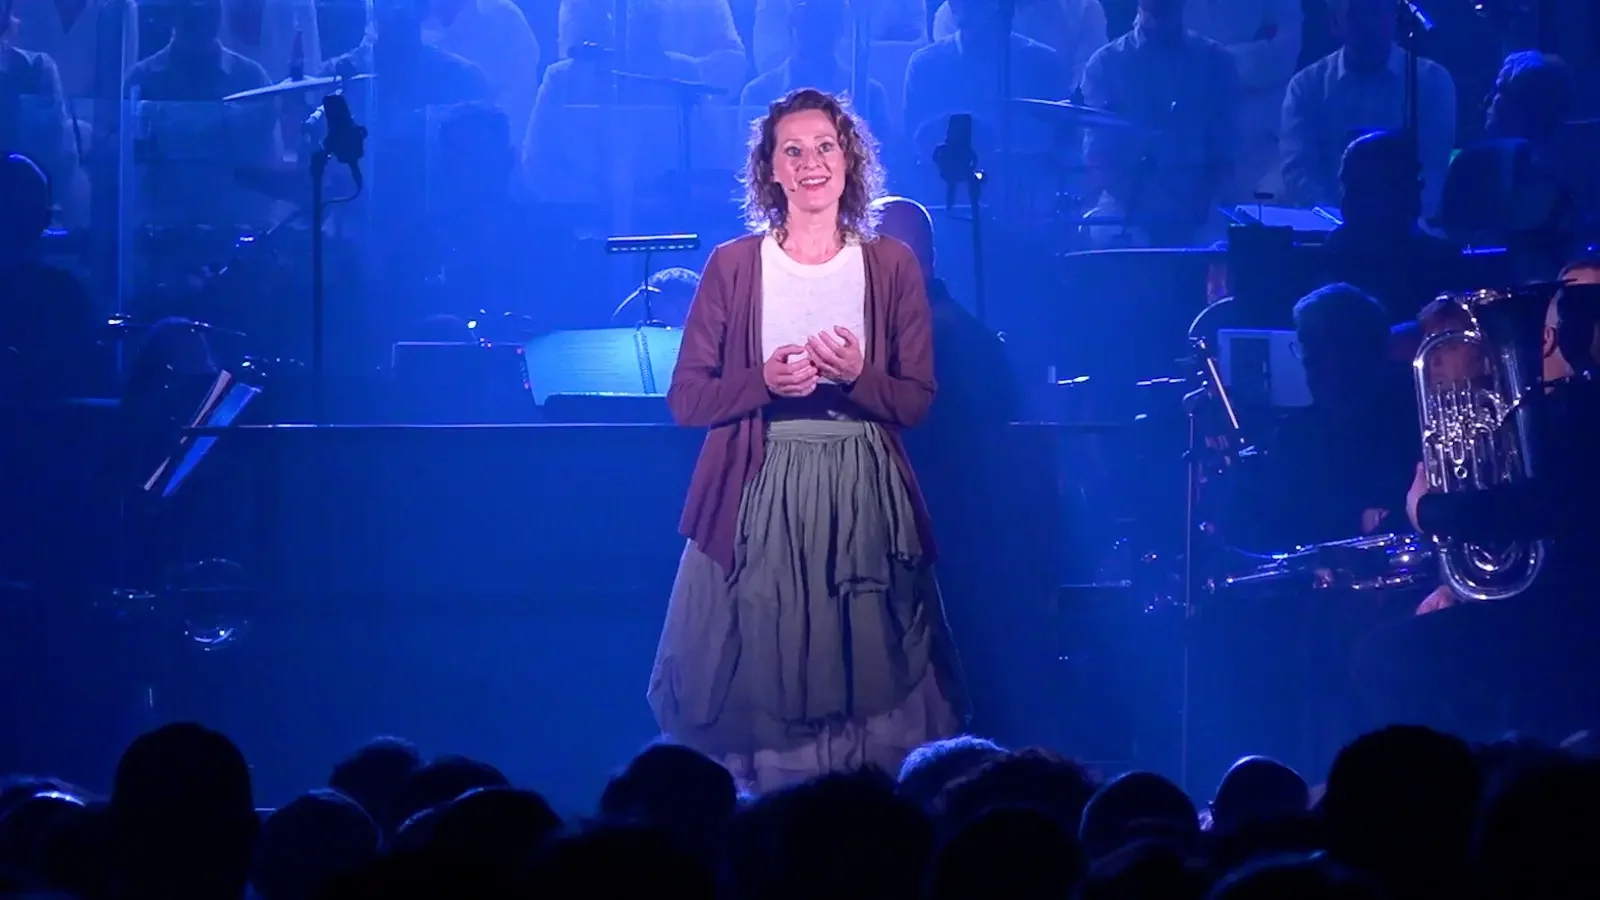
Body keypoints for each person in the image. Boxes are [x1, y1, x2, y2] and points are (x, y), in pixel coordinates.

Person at [648, 87, 967, 792]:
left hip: (863, 490)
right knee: (764, 665)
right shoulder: (734, 265)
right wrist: (762, 381)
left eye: (825, 147)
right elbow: (687, 399)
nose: (811, 162)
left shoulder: (890, 265)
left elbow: (916, 400)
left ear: (849, 161)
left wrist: (857, 377)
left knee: (870, 670)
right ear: (770, 169)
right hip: (759, 488)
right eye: (792, 150)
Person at [1078, 0, 1239, 248]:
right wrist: (1143, 209)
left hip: (1198, 208)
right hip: (1124, 206)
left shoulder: (1217, 61)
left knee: (1221, 249)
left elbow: (1225, 149)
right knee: (1114, 241)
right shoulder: (1106, 63)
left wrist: (1201, 202)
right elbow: (1098, 155)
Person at [1281, 0, 1456, 217]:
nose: (1370, 22)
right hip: (1330, 231)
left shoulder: (1430, 81)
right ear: (1334, 22)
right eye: (1357, 11)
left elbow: (1433, 170)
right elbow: (1299, 172)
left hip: (1407, 230)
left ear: (1395, 16)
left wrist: (1408, 224)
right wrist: (1336, 221)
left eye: (1377, 8)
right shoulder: (1306, 86)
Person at [1322, 129, 1464, 323]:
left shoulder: (1441, 262)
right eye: (1347, 188)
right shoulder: (1338, 253)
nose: (1346, 200)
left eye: (1356, 188)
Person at [1182, 0, 1302, 204]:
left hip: (1261, 144)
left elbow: (1283, 55)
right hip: (1192, 139)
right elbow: (1167, 58)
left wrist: (1206, 61)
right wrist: (1252, 52)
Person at [739, 0, 893, 144]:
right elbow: (748, 158)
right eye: (807, 15)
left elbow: (885, 156)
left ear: (840, 27)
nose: (814, 28)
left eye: (824, 18)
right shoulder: (757, 94)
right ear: (792, 22)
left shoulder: (870, 95)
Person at [930, 0, 1106, 95]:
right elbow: (952, 87)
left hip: (1056, 141)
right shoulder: (954, 14)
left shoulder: (1085, 8)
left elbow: (1089, 88)